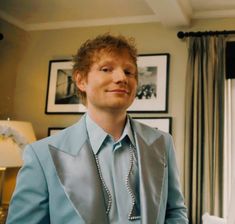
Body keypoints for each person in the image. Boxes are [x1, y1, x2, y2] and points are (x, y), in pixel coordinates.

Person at [6, 34, 188, 224]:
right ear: (81, 80)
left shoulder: (162, 143)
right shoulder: (41, 154)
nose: (121, 78)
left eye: (129, 72)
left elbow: (175, 212)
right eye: (106, 69)